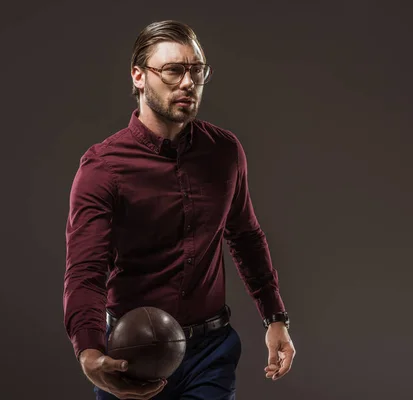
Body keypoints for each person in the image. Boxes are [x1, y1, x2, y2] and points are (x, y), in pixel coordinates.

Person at [63, 20, 296, 400]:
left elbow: (246, 236)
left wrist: (275, 318)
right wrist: (89, 352)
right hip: (129, 353)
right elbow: (86, 272)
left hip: (211, 352)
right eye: (173, 70)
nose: (188, 83)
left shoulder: (225, 152)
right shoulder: (102, 168)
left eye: (196, 71)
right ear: (139, 77)